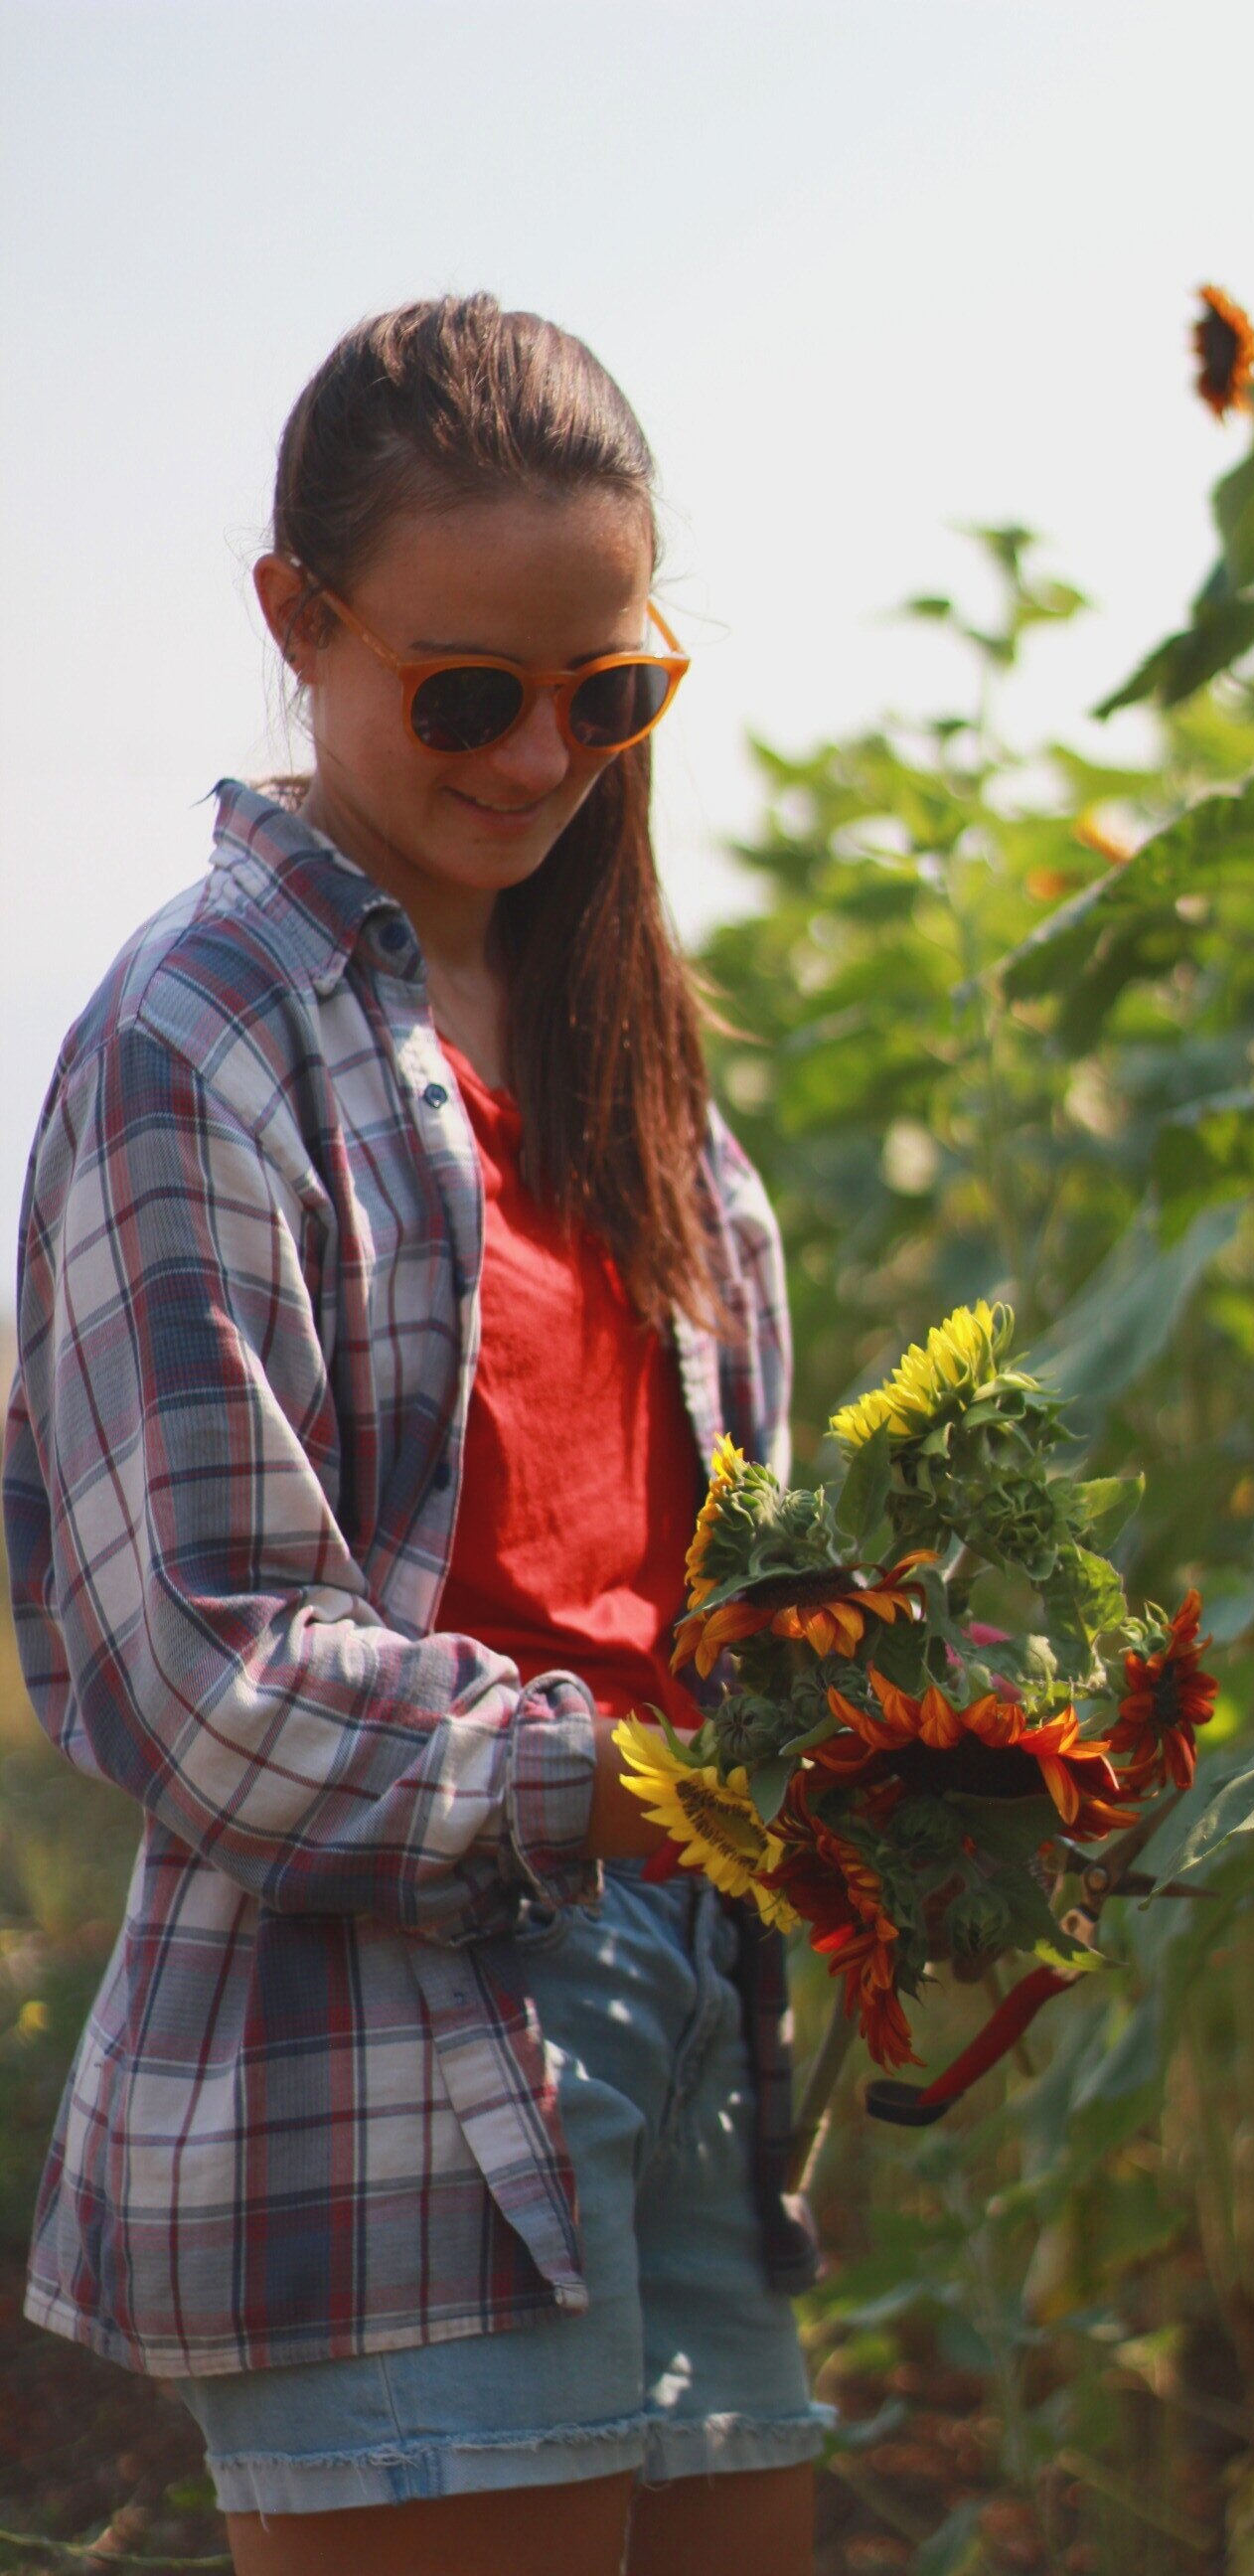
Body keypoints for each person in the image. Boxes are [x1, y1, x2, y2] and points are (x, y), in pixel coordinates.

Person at [2, 293, 829, 2576]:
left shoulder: (643, 1078)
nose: (543, 756)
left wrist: (884, 1747)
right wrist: (631, 1773)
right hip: (381, 2055)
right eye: (467, 693)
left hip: (688, 2015)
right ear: (299, 618)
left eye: (608, 693)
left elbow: (712, 1600)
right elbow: (205, 1668)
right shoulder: (194, 1039)